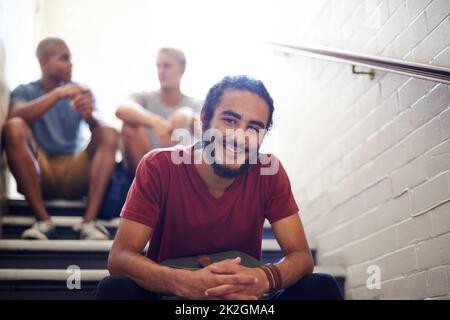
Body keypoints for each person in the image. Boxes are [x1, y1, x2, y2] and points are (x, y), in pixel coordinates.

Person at [95, 76, 343, 300]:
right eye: (230, 120)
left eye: (254, 128)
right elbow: (120, 258)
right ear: (204, 118)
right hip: (177, 298)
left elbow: (301, 256)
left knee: (320, 287)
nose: (239, 137)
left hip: (243, 303)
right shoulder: (158, 166)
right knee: (115, 291)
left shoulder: (269, 171)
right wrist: (184, 283)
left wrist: (264, 279)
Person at [1, 37, 119, 240]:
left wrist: (90, 116)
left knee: (108, 130)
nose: (70, 63)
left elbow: (102, 127)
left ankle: (88, 222)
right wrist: (57, 94)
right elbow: (13, 116)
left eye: (70, 58)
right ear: (43, 62)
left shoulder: (80, 91)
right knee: (14, 126)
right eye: (64, 58)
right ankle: (43, 221)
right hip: (40, 170)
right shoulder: (25, 91)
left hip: (74, 171)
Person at [115, 47, 201, 175]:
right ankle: (146, 184)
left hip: (182, 173)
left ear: (182, 69)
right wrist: (156, 122)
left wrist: (188, 115)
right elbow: (122, 109)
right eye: (158, 66)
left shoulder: (195, 104)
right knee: (129, 127)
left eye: (167, 66)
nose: (161, 71)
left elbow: (208, 131)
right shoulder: (145, 97)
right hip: (143, 170)